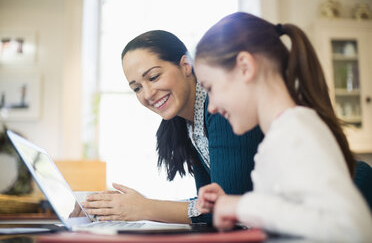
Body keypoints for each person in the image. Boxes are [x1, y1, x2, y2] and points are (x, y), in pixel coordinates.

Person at [194, 12, 372, 241]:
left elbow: (349, 228)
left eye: (210, 88)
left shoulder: (295, 131)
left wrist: (242, 205)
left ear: (245, 67)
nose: (212, 107)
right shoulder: (283, 133)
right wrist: (232, 206)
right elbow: (296, 218)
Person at [82, 30, 264, 224]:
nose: (148, 93)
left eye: (153, 77)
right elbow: (206, 205)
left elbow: (226, 209)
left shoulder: (220, 108)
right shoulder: (188, 124)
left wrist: (144, 208)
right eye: (137, 88)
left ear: (185, 66)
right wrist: (115, 207)